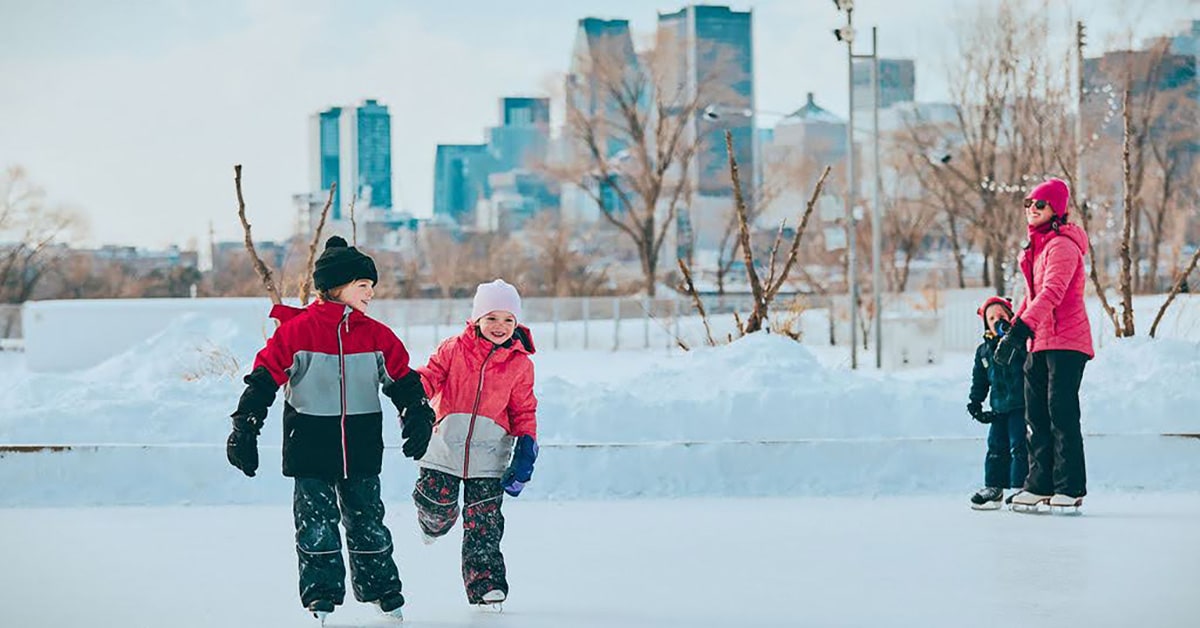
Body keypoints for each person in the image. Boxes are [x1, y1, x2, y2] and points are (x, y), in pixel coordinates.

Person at [225, 236, 435, 622]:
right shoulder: (296, 332)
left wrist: (419, 413)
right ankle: (320, 594)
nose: (371, 293)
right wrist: (246, 426)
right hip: (310, 447)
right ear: (337, 286)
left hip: (361, 447)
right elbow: (262, 380)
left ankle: (382, 590)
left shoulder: (377, 336)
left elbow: (404, 381)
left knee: (368, 522)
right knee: (316, 526)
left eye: (372, 286)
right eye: (363, 285)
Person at [412, 279, 538, 608]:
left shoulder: (521, 365)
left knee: (485, 523)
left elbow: (524, 409)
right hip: (443, 448)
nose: (500, 326)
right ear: (477, 319)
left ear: (517, 323)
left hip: (490, 456)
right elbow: (430, 375)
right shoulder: (453, 349)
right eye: (492, 318)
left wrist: (526, 448)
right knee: (436, 502)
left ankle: (485, 584)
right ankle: (434, 522)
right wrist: (413, 393)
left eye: (508, 320)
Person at [995, 178, 1093, 512]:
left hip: (1067, 340)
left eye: (1039, 204)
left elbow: (1053, 293)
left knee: (1061, 413)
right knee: (1035, 414)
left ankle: (1070, 486)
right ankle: (1040, 484)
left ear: (1056, 210)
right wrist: (1012, 329)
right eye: (1028, 203)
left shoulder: (1062, 247)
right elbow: (1032, 297)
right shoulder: (1037, 247)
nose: (1031, 209)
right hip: (1040, 339)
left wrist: (1021, 329)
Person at [966, 296, 1028, 510]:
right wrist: (975, 402)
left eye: (1001, 316)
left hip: (1021, 405)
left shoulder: (1021, 343)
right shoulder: (983, 351)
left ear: (1010, 318)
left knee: (1019, 446)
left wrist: (1015, 339)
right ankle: (994, 488)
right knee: (995, 447)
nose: (996, 321)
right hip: (998, 408)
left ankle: (1022, 488)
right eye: (991, 317)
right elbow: (980, 380)